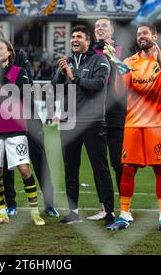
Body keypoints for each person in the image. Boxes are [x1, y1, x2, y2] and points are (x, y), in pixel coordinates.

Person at [107, 23, 161, 231]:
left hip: (157, 124)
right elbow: (120, 91)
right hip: (133, 123)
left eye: (145, 33)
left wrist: (160, 63)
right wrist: (116, 64)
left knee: (160, 169)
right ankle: (123, 216)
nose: (141, 36)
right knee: (128, 169)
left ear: (155, 36)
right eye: (139, 34)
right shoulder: (130, 61)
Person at [0, 29, 59, 218]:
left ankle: (49, 203)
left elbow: (23, 91)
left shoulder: (21, 57)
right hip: (3, 120)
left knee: (38, 160)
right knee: (4, 163)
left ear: (7, 45)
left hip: (28, 117)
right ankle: (11, 204)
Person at [51, 25, 115, 226]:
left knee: (100, 168)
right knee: (70, 169)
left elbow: (98, 85)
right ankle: (73, 211)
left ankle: (109, 211)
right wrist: (62, 73)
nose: (74, 40)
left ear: (87, 40)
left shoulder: (100, 60)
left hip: (92, 122)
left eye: (78, 36)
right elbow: (55, 88)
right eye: (72, 37)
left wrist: (74, 77)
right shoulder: (67, 62)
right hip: (68, 121)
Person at [88, 18, 128, 221]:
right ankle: (105, 207)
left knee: (118, 164)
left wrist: (114, 59)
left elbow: (128, 78)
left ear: (112, 30)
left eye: (104, 26)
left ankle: (124, 208)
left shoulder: (123, 51)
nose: (100, 29)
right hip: (95, 115)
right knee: (99, 165)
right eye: (96, 27)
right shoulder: (90, 54)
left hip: (117, 115)